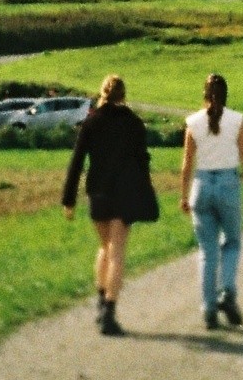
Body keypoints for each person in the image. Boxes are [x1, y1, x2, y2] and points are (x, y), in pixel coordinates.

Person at [61, 74, 160, 336]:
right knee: (117, 251)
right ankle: (109, 312)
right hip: (125, 193)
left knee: (105, 247)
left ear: (102, 92)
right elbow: (142, 160)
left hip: (98, 192)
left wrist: (68, 199)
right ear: (123, 95)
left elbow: (77, 161)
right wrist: (145, 193)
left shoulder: (92, 121)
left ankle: (100, 302)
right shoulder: (134, 123)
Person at [180, 72, 243, 331]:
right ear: (226, 95)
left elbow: (187, 164)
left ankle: (209, 309)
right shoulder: (237, 121)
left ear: (204, 95)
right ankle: (227, 290)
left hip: (202, 185)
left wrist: (183, 195)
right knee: (232, 242)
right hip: (228, 184)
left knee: (207, 251)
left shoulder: (193, 122)